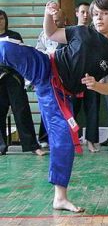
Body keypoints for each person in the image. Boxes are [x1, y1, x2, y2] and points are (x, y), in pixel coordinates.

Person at [0, 0, 108, 212]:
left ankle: (60, 198)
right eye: (96, 14)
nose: (98, 18)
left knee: (63, 141)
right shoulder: (82, 31)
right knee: (5, 47)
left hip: (59, 94)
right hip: (46, 66)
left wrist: (96, 86)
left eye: (104, 14)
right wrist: (48, 14)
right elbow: (51, 33)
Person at [0, 10, 45, 156]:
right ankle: (1, 147)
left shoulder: (14, 36)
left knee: (21, 110)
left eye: (1, 18)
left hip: (13, 77)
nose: (0, 21)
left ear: (6, 20)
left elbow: (22, 57)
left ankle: (32, 145)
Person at [71, 2, 101, 153]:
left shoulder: (96, 34)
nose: (85, 15)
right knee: (70, 111)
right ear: (76, 13)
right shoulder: (69, 32)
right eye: (82, 12)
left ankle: (91, 141)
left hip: (92, 78)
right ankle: (70, 141)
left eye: (87, 12)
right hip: (73, 79)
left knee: (93, 110)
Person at [36, 9, 66, 148]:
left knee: (65, 108)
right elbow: (38, 50)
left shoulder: (69, 34)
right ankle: (44, 138)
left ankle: (65, 137)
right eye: (52, 20)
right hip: (48, 74)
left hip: (65, 75)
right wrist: (48, 55)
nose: (54, 22)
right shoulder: (44, 34)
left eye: (57, 20)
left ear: (64, 20)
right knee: (47, 105)